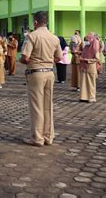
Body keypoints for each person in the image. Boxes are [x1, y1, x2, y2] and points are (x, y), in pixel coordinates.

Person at [20, 11, 62, 147]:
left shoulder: (32, 36)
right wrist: (48, 60)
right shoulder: (54, 38)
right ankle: (48, 137)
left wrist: (31, 60)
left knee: (36, 106)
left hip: (36, 72)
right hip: (49, 72)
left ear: (35, 22)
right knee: (47, 106)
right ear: (47, 22)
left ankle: (37, 138)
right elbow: (59, 57)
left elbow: (25, 57)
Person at [79, 32, 100, 103]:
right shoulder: (86, 47)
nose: (87, 40)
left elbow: (97, 59)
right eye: (86, 39)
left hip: (90, 67)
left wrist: (86, 60)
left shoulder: (95, 48)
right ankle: (84, 96)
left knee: (91, 83)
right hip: (83, 66)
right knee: (83, 82)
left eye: (88, 38)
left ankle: (91, 97)